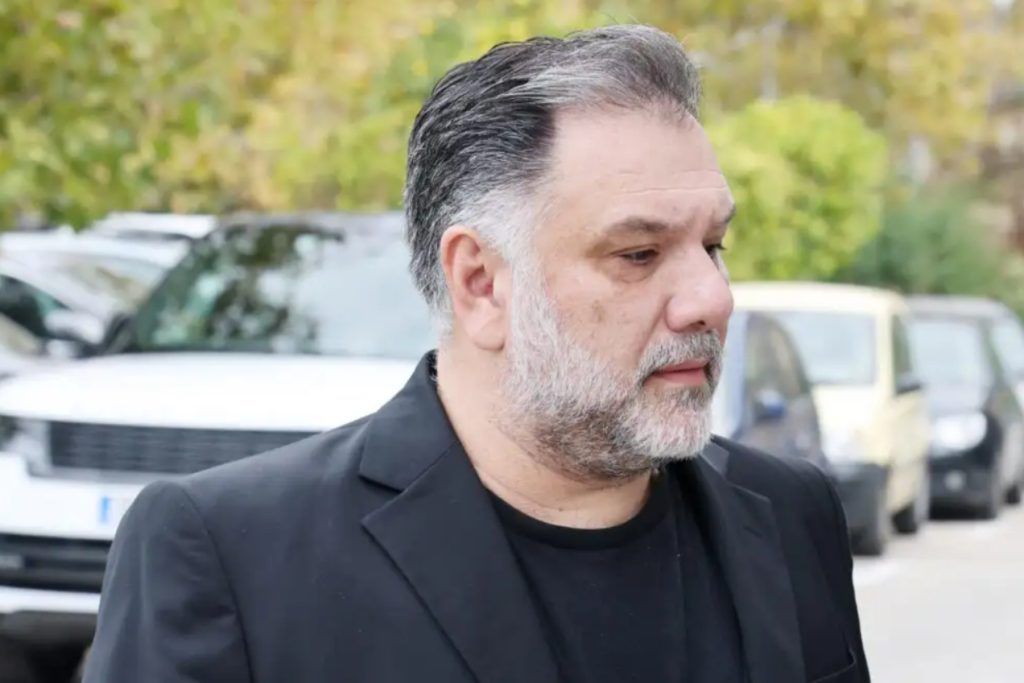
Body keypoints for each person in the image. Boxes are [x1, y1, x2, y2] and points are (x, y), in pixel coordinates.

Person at [86, 25, 869, 683]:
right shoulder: (230, 553)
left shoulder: (791, 514)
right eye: (638, 253)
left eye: (713, 244)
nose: (711, 298)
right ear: (481, 282)